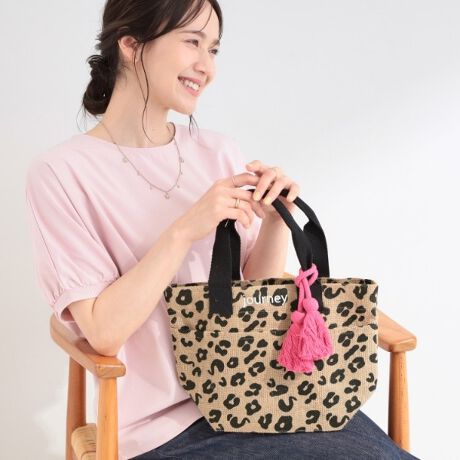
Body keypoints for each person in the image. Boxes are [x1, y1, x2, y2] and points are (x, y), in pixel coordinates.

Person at [24, 1, 420, 459]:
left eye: (213, 49)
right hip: (166, 431)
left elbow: (253, 299)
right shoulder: (62, 173)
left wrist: (275, 221)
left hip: (270, 394)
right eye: (191, 42)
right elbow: (104, 333)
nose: (206, 67)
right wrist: (182, 231)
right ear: (130, 44)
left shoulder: (217, 153)